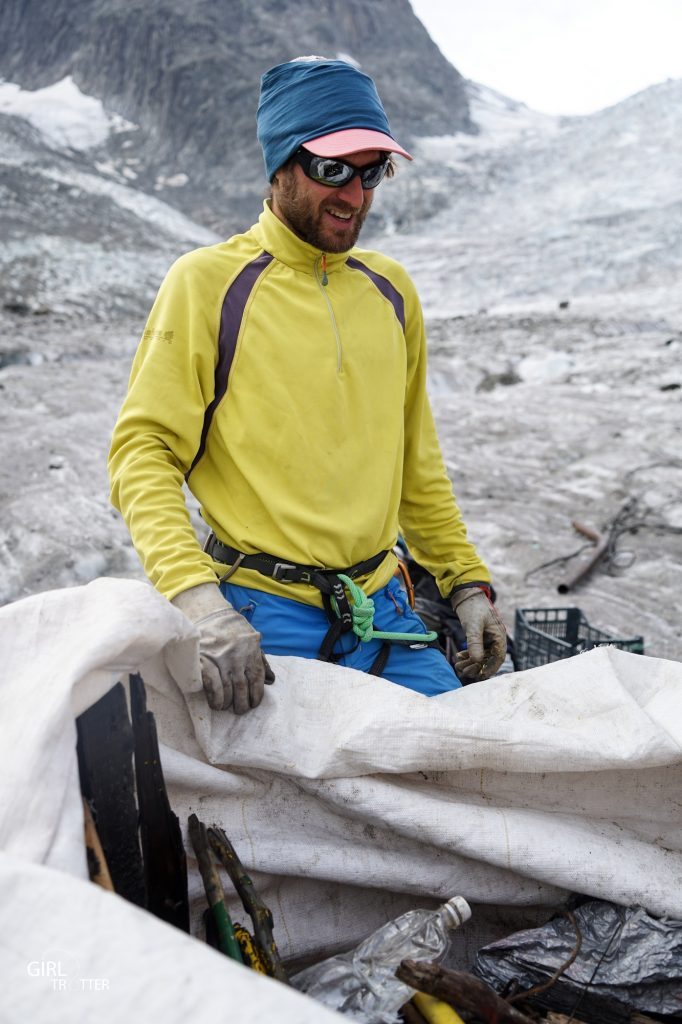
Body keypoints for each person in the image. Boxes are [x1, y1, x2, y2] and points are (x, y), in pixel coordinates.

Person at [108, 56, 507, 715]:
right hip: (259, 618)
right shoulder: (208, 283)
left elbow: (416, 466)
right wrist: (199, 603)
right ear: (280, 165)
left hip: (382, 610)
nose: (354, 194)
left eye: (372, 170)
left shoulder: (391, 293)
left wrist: (466, 586)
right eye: (331, 170)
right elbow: (142, 453)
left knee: (464, 778)